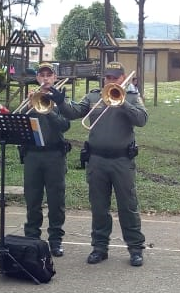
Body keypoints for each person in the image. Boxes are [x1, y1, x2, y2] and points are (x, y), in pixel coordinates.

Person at [58, 61, 149, 266]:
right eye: (107, 77)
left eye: (115, 77)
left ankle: (135, 249)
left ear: (123, 78)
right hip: (97, 160)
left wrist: (122, 101)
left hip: (122, 161)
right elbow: (75, 113)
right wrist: (61, 103)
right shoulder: (93, 96)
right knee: (99, 207)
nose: (110, 80)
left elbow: (142, 120)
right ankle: (99, 247)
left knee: (128, 206)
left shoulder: (132, 97)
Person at [21, 62, 72, 257]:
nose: (45, 78)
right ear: (37, 78)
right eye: (41, 75)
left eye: (48, 75)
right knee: (32, 198)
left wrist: (49, 110)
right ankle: (32, 237)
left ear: (55, 78)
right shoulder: (30, 99)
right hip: (33, 154)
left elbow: (65, 126)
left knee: (56, 199)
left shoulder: (61, 101)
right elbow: (18, 122)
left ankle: (55, 240)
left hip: (54, 155)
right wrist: (31, 105)